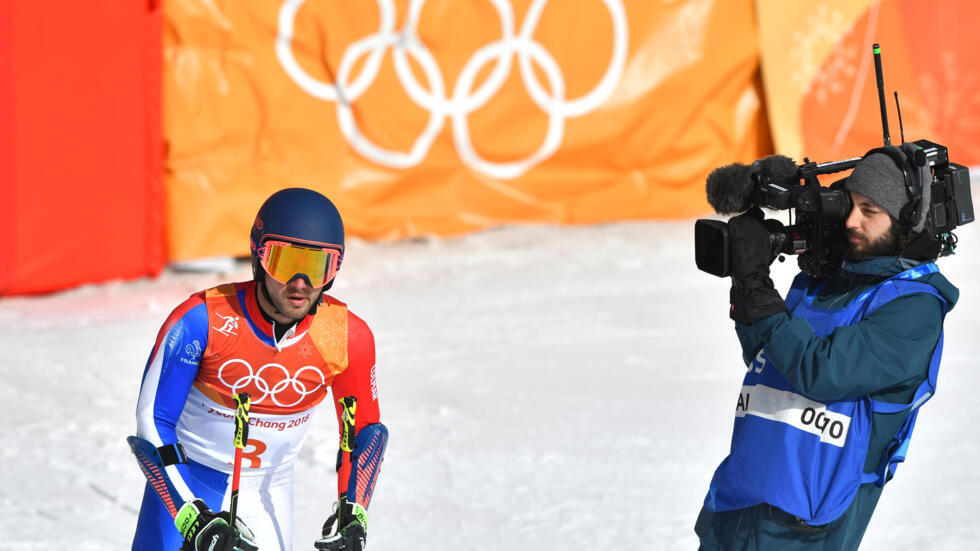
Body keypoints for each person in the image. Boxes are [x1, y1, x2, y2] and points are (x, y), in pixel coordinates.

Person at [695, 146, 960, 550]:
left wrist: (760, 295)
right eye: (851, 205)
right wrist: (748, 284)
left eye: (870, 210)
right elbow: (766, 356)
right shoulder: (820, 282)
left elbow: (823, 371)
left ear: (907, 221)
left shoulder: (914, 308)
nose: (853, 220)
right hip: (743, 498)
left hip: (806, 525)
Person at [130, 188, 388, 551]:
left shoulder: (346, 335)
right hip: (190, 483)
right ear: (258, 256)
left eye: (317, 267)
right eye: (285, 263)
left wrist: (354, 515)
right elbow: (153, 420)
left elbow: (365, 431)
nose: (301, 283)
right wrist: (192, 515)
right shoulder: (202, 319)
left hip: (269, 489)